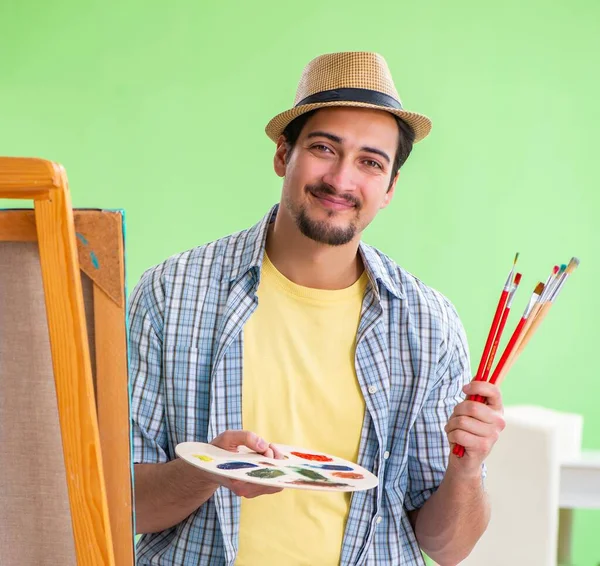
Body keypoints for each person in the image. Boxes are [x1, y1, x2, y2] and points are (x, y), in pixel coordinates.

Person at [129, 51, 505, 566]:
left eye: (371, 162)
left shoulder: (428, 324)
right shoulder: (172, 294)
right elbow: (118, 505)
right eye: (324, 148)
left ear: (390, 187)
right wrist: (205, 469)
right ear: (284, 154)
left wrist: (467, 469)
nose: (342, 181)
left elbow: (447, 547)